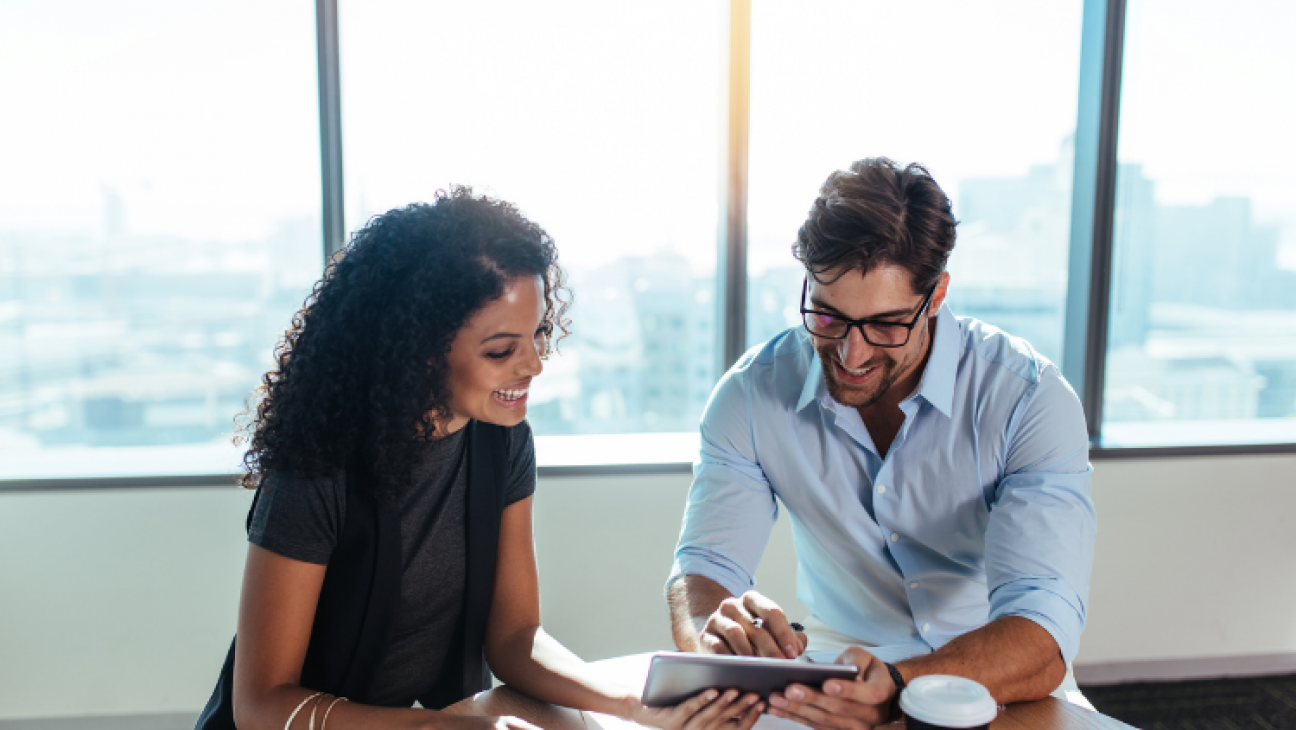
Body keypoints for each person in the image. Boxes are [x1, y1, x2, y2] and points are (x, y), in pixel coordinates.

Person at [197, 189, 765, 730]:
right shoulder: (317, 470)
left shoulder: (502, 441)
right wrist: (438, 727)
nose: (535, 366)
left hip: (433, 718)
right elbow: (261, 706)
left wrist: (632, 703)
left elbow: (516, 636)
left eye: (538, 335)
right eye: (501, 350)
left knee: (569, 720)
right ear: (418, 348)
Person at [666, 158, 1097, 727]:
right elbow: (704, 566)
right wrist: (715, 641)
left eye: (887, 325)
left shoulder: (1027, 400)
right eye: (828, 317)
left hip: (995, 676)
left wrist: (901, 685)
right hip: (834, 668)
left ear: (937, 294)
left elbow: (1042, 626)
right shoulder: (750, 395)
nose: (852, 355)